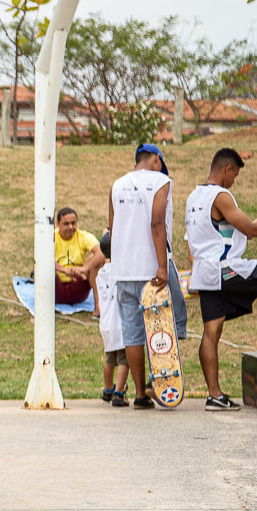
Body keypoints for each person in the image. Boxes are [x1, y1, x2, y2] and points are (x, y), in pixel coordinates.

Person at [108, 143, 188, 410]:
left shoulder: (116, 185)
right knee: (172, 319)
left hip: (123, 270)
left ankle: (141, 394)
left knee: (132, 334)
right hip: (152, 270)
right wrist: (162, 267)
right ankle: (159, 379)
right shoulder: (161, 181)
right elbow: (157, 223)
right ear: (156, 158)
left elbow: (112, 228)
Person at [185, 148, 257, 411]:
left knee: (211, 332)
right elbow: (250, 229)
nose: (234, 181)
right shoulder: (221, 195)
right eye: (235, 175)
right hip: (225, 269)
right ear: (227, 169)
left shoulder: (194, 196)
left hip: (204, 274)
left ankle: (214, 395)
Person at [95, 231, 129, 407]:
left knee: (110, 359)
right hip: (120, 322)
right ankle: (119, 392)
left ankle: (108, 389)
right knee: (125, 360)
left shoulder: (100, 273)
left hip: (106, 323)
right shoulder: (121, 270)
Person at [54, 207, 105, 317]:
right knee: (43, 265)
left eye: (73, 223)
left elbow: (102, 251)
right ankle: (41, 311)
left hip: (79, 286)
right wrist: (64, 270)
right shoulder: (51, 237)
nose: (71, 227)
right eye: (66, 224)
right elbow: (38, 256)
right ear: (58, 224)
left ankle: (98, 307)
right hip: (55, 290)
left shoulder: (82, 236)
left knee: (97, 260)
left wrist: (84, 268)